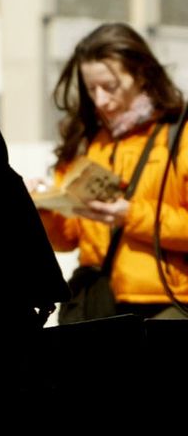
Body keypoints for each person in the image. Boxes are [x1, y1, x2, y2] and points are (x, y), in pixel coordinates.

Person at [28, 23, 188, 320]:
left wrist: (131, 215)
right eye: (92, 89)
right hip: (93, 303)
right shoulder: (87, 141)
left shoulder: (179, 135)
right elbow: (68, 240)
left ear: (142, 75)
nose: (101, 100)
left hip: (165, 303)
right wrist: (43, 209)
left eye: (109, 87)